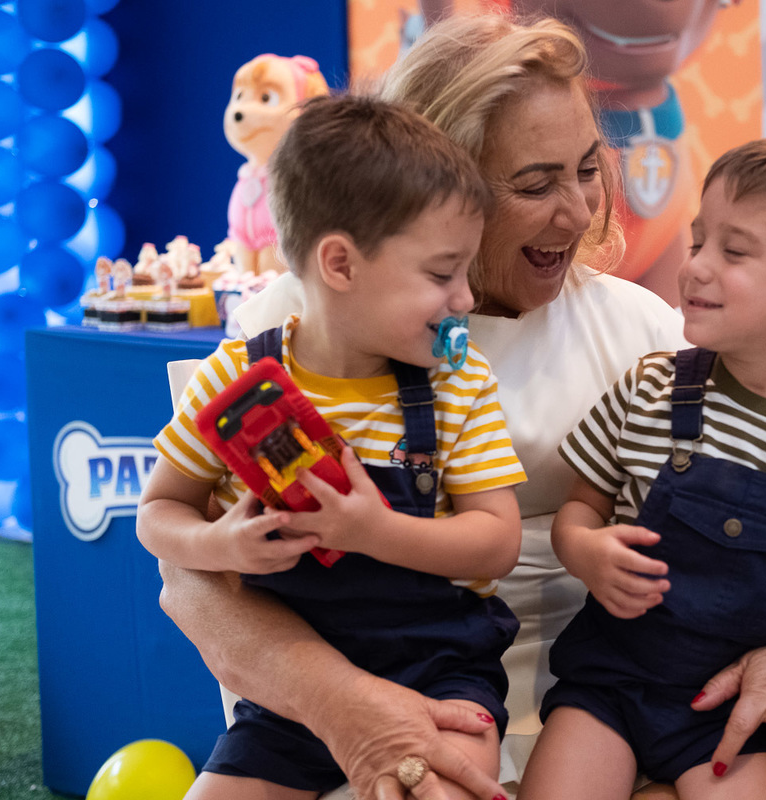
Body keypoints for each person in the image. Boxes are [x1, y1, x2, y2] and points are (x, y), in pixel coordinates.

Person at [157, 14, 766, 800]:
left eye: (588, 169)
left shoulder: (642, 333)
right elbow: (188, 575)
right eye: (535, 183)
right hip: (355, 707)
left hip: (607, 718)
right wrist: (350, 710)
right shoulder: (295, 323)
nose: (582, 211)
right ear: (439, 186)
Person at [137, 94, 528, 799]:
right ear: (340, 264)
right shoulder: (234, 379)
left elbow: (496, 542)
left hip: (440, 668)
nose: (466, 299)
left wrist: (377, 531)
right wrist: (220, 546)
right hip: (291, 691)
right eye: (442, 274)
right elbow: (158, 515)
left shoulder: (459, 383)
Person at [519, 137, 766, 800]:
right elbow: (581, 507)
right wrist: (586, 549)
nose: (696, 266)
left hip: (739, 716)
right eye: (699, 239)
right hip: (611, 686)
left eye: (732, 252)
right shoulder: (649, 388)